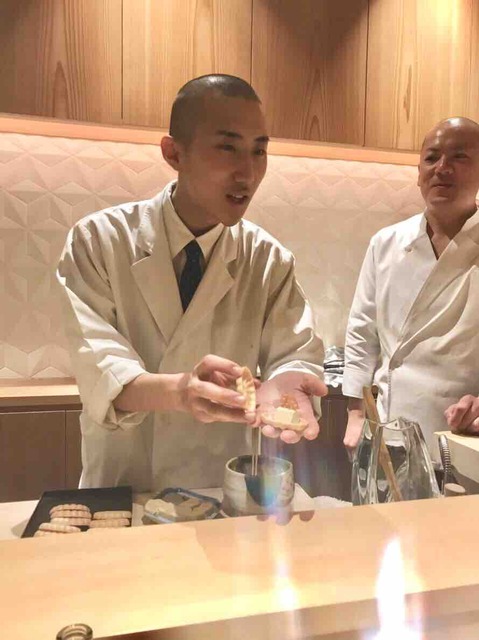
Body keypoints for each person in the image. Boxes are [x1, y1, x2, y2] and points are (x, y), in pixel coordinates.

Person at [57, 74, 326, 492]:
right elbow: (100, 367)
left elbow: (295, 351)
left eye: (259, 150)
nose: (248, 172)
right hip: (124, 485)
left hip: (220, 489)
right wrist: (181, 391)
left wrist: (288, 380)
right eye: (228, 147)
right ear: (174, 153)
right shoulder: (99, 241)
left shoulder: (268, 260)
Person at [343, 116, 479, 460]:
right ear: (419, 173)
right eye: (432, 158)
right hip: (387, 430)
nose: (442, 168)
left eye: (459, 157)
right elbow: (362, 330)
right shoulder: (386, 242)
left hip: (463, 438)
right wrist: (356, 412)